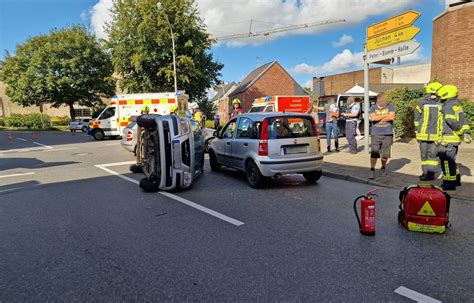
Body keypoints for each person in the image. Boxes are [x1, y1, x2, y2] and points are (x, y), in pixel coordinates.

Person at [436, 84, 471, 191]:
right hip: (454, 139)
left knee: (446, 161)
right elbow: (463, 121)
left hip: (448, 138)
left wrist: (461, 132)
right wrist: (465, 133)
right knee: (451, 161)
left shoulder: (447, 107)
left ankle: (449, 183)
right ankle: (456, 180)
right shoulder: (456, 106)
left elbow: (451, 121)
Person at [414, 82, 443, 181]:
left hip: (436, 135)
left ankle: (431, 173)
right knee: (424, 154)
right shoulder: (421, 102)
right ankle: (425, 172)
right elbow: (416, 118)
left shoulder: (443, 103)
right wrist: (417, 132)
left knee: (433, 155)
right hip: (423, 135)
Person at [369, 92, 395, 179]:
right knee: (374, 153)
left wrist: (378, 117)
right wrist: (385, 115)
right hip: (376, 134)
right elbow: (373, 118)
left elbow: (391, 117)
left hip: (387, 134)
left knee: (385, 155)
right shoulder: (373, 107)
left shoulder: (390, 105)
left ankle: (383, 168)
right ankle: (372, 170)